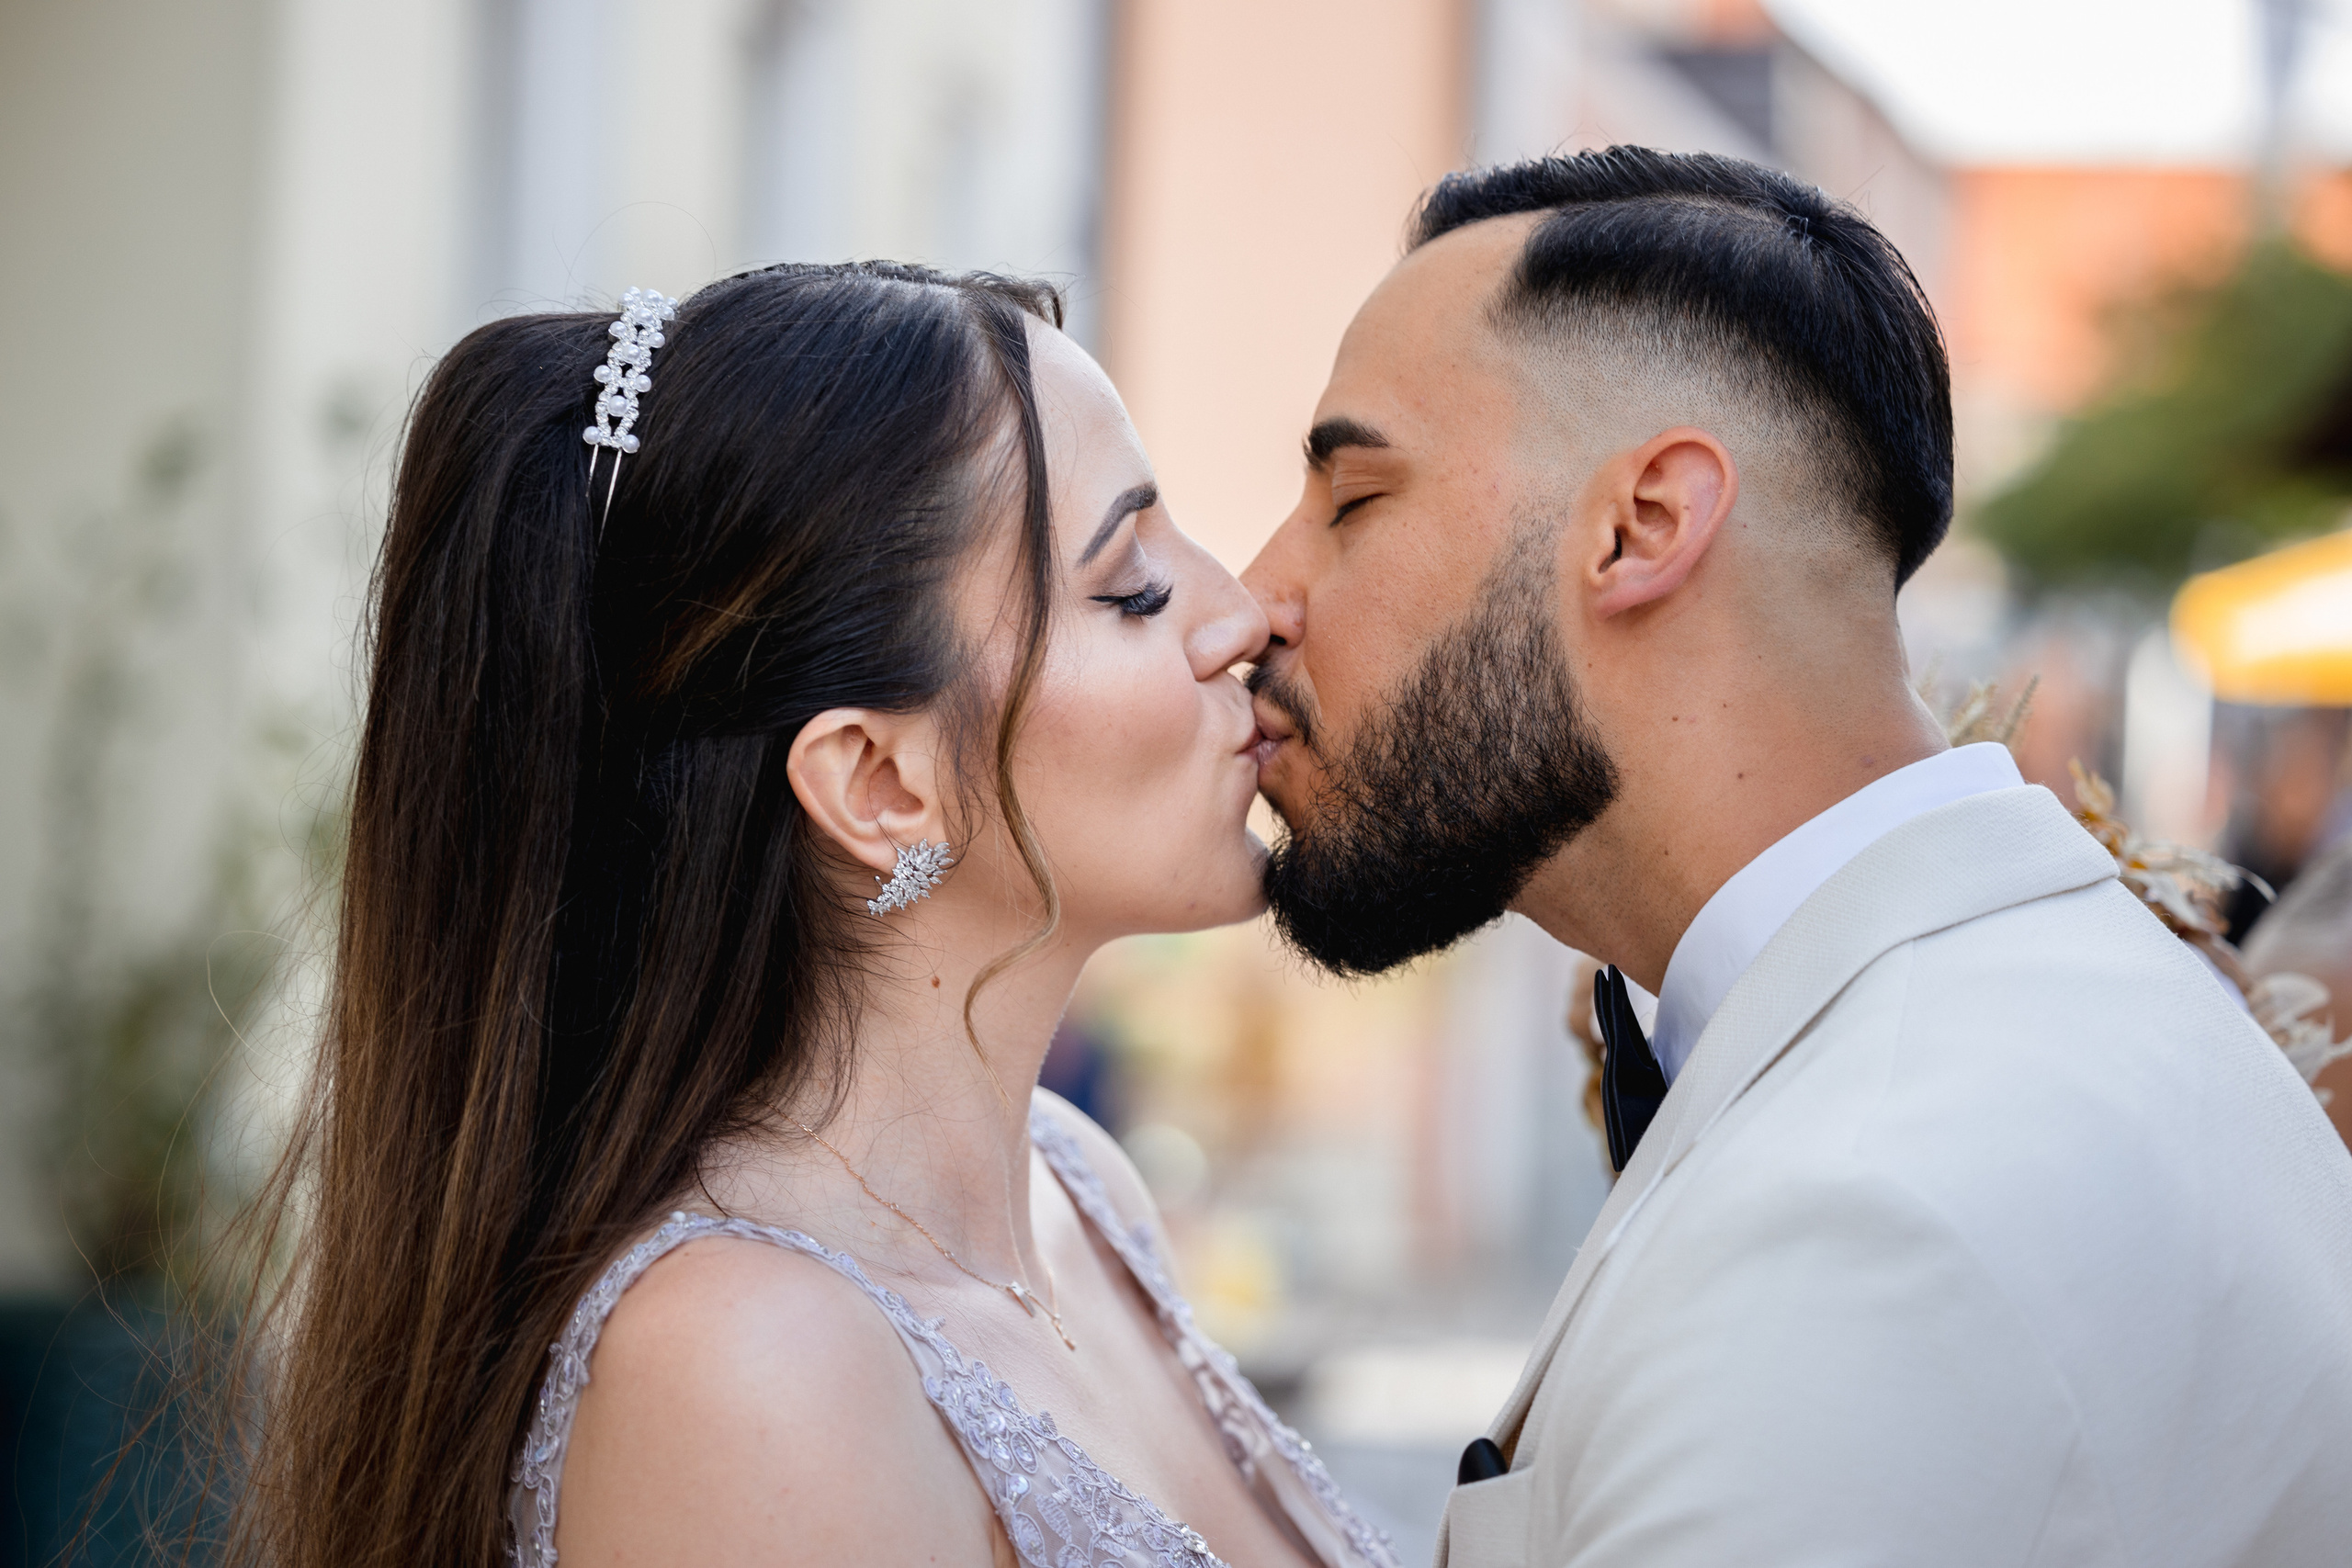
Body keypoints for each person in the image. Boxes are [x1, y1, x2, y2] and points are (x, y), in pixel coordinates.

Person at [1242, 146, 2352, 1565]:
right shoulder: (2055, 1013)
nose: (1256, 598)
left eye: (1353, 500)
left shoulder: (1868, 1217)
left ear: (1642, 526)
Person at [230, 263, 1396, 1568]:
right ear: (880, 783)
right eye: (1130, 586)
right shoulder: (746, 1366)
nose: (1241, 613)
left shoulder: (1081, 1191)